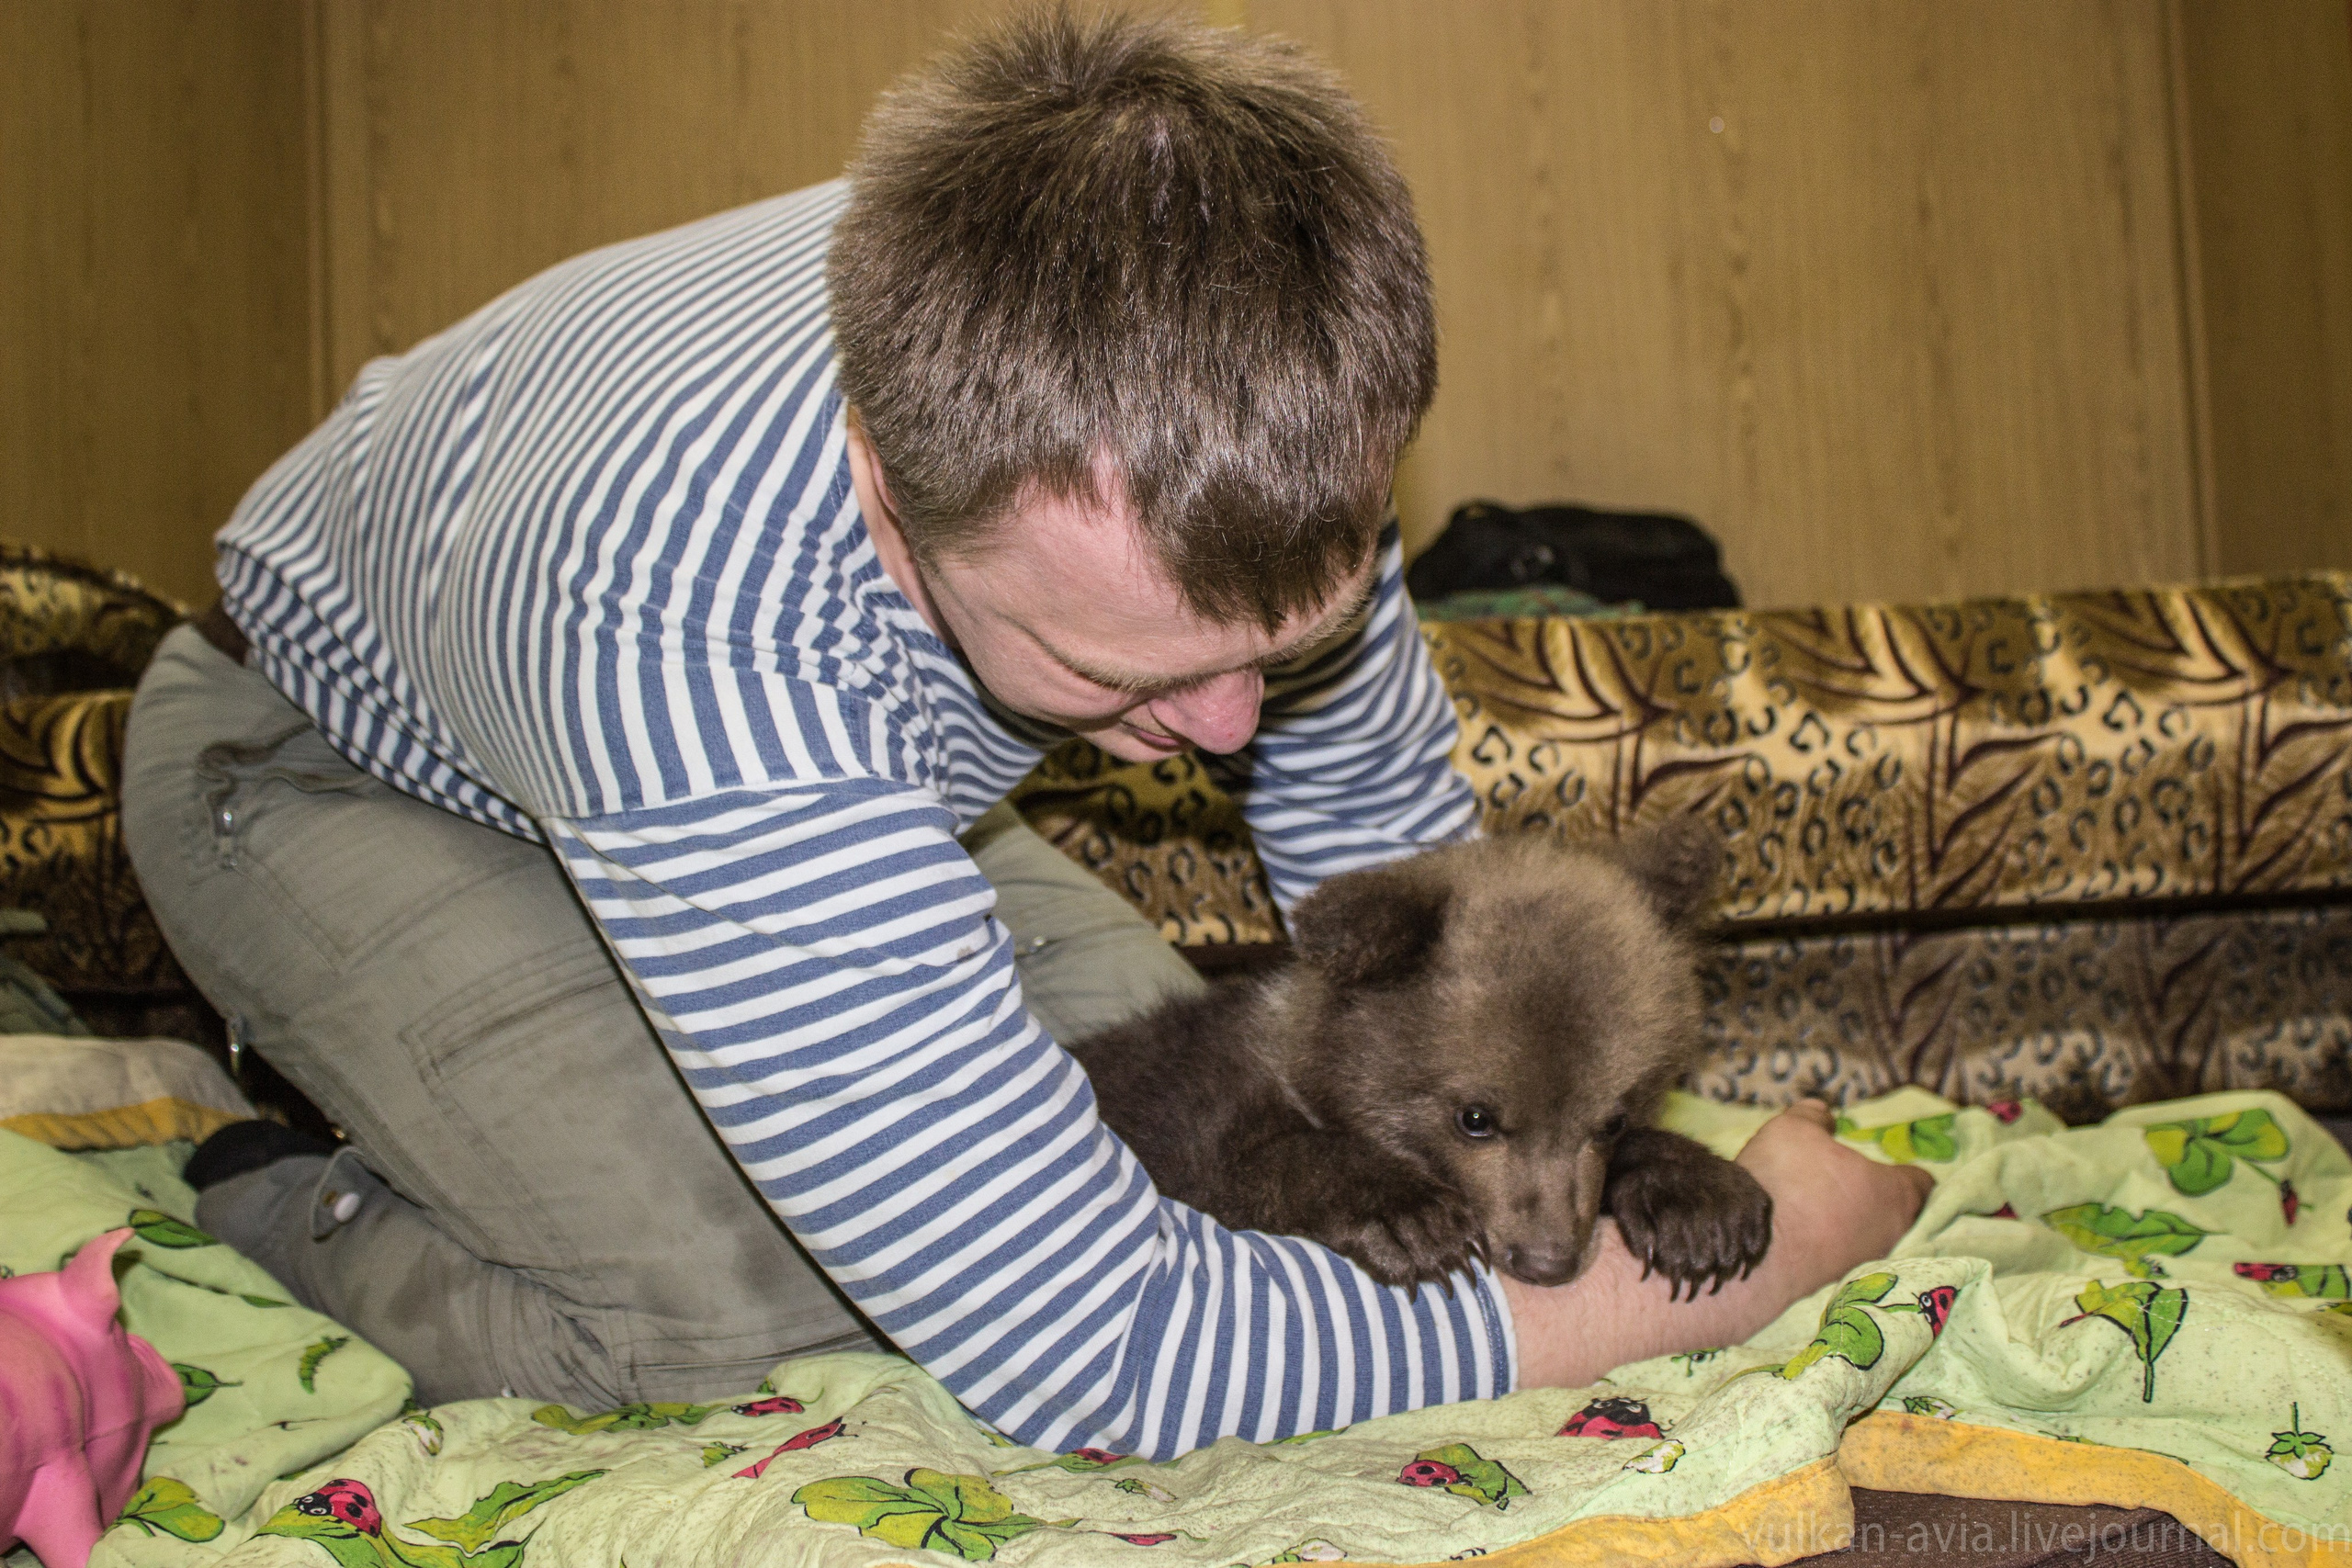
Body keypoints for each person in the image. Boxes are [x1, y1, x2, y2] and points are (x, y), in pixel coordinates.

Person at [120, 8, 1928, 1460]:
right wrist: (1716, 1279)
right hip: (327, 763)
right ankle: (290, 1189)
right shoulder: (691, 621)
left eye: (1276, 647)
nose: (1217, 729)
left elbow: (1393, 889)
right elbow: (1086, 1336)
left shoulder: (1263, 419)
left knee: (1207, 1126)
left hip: (816, 767)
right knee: (757, 1297)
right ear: (885, 496)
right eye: (1117, 675)